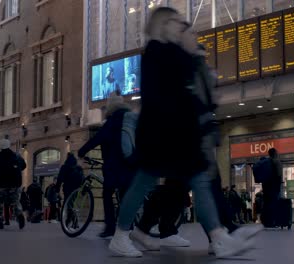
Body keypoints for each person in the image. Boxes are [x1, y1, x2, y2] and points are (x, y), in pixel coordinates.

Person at [108, 7, 255, 258]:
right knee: (147, 183)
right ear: (164, 24)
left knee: (197, 180)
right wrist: (192, 54)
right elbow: (171, 93)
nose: (182, 26)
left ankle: (219, 237)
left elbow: (186, 89)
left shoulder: (165, 52)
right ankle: (123, 235)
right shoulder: (157, 52)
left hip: (175, 136)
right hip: (162, 136)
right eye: (176, 21)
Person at [78, 92, 135, 238]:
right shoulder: (130, 118)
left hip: (114, 165)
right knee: (125, 196)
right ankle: (128, 225)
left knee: (107, 194)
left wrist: (82, 151)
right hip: (131, 163)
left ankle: (110, 227)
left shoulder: (111, 122)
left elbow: (97, 139)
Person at [0, 139, 27, 229]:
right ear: (9, 145)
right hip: (14, 184)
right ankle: (19, 214)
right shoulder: (16, 156)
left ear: (0, 147)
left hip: (0, 185)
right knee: (15, 201)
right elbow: (24, 165)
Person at [261, 148, 283, 228]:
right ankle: (272, 222)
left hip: (266, 186)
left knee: (266, 203)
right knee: (273, 203)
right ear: (275, 153)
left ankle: (266, 222)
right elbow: (279, 174)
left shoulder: (265, 162)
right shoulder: (276, 161)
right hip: (273, 186)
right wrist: (279, 184)